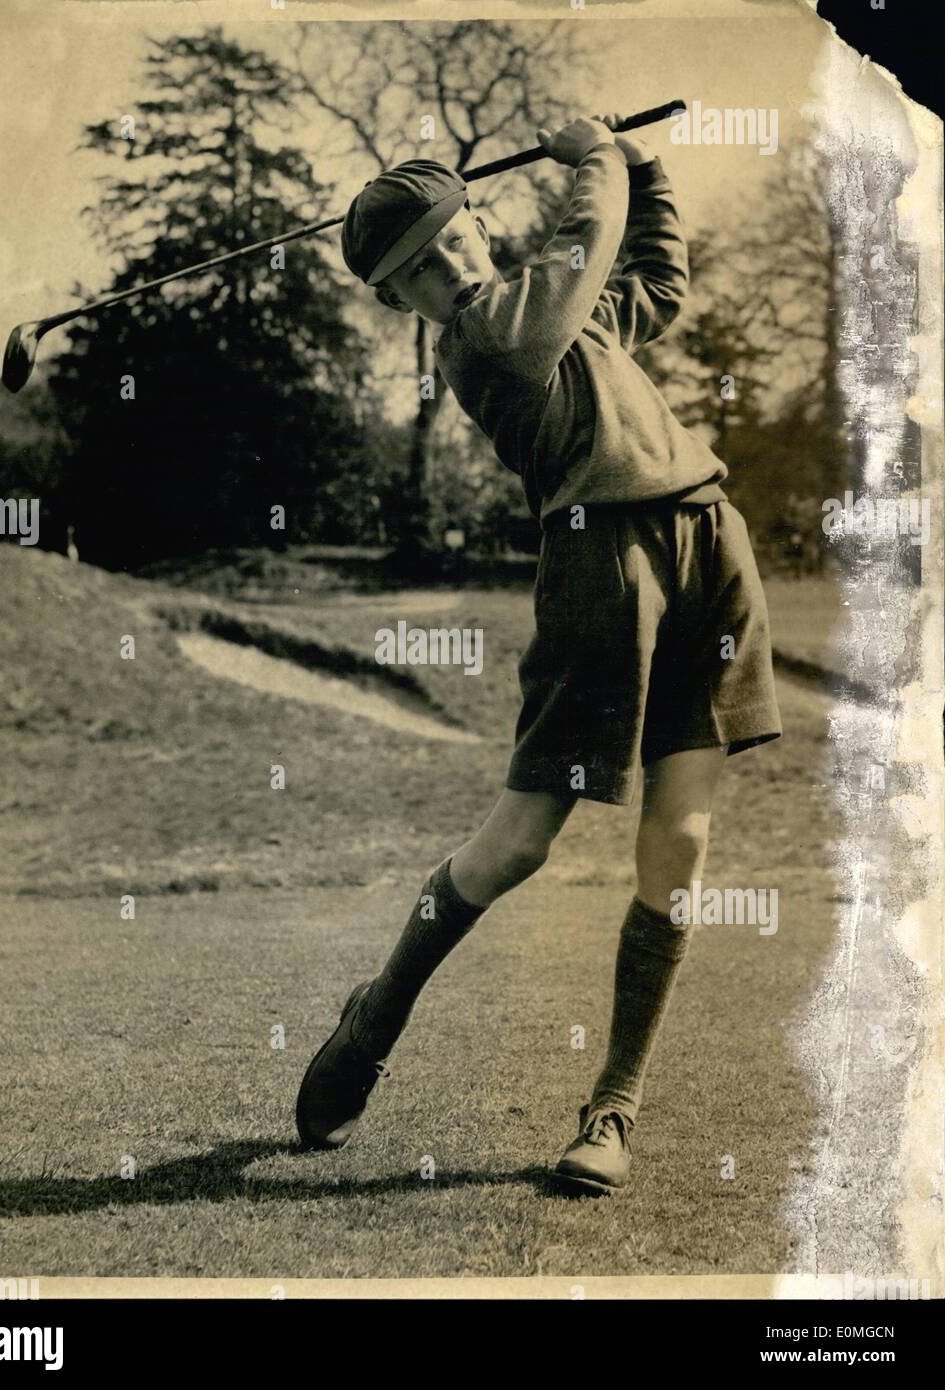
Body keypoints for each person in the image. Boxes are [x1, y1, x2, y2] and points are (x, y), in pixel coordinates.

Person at [295, 113, 782, 1194]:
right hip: (598, 572)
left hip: (709, 545)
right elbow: (583, 239)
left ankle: (612, 1108)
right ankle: (374, 1017)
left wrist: (645, 167)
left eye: (452, 239)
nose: (448, 266)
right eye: (417, 271)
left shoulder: (559, 316)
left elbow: (651, 279)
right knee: (520, 843)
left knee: (682, 844)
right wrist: (598, 156)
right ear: (400, 301)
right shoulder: (488, 341)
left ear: (475, 221)